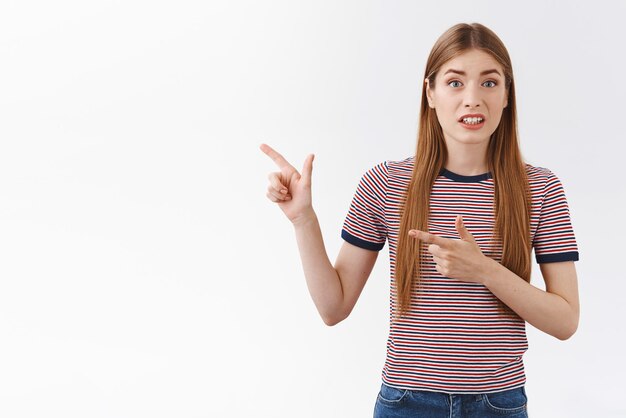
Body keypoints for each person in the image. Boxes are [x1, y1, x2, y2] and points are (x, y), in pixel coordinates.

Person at [260, 22, 579, 418]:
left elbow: (566, 321)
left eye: (490, 83)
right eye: (455, 83)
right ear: (430, 93)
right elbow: (333, 307)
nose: (472, 99)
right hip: (406, 403)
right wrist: (303, 220)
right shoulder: (386, 183)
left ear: (507, 95)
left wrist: (485, 271)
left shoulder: (541, 188)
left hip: (499, 404)